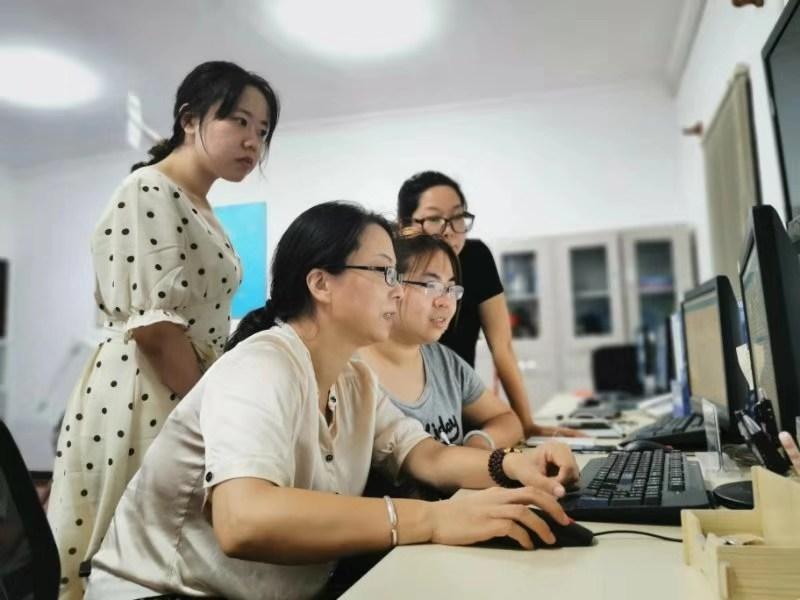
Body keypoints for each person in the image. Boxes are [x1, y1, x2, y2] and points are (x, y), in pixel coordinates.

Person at [84, 201, 579, 600]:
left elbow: (426, 455)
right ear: (321, 283)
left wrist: (513, 465)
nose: (398, 292)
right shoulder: (261, 365)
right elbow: (243, 520)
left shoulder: (354, 377)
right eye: (385, 272)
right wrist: (432, 519)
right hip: (166, 592)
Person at [47, 60, 280, 599]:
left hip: (178, 387)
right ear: (190, 119)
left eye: (263, 130)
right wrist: (212, 417)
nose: (253, 141)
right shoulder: (148, 188)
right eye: (239, 121)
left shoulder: (203, 207)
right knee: (126, 550)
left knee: (159, 547)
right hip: (146, 388)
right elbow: (155, 330)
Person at [397, 171, 582, 439]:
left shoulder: (476, 257)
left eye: (457, 216)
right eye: (434, 218)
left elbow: (502, 346)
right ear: (405, 225)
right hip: (410, 406)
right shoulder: (393, 275)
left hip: (461, 399)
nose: (449, 230)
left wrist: (525, 423)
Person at [360, 233, 523, 451]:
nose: (446, 302)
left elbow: (507, 419)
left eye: (451, 288)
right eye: (432, 285)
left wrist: (478, 444)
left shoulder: (444, 362)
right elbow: (427, 462)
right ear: (391, 284)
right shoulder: (353, 373)